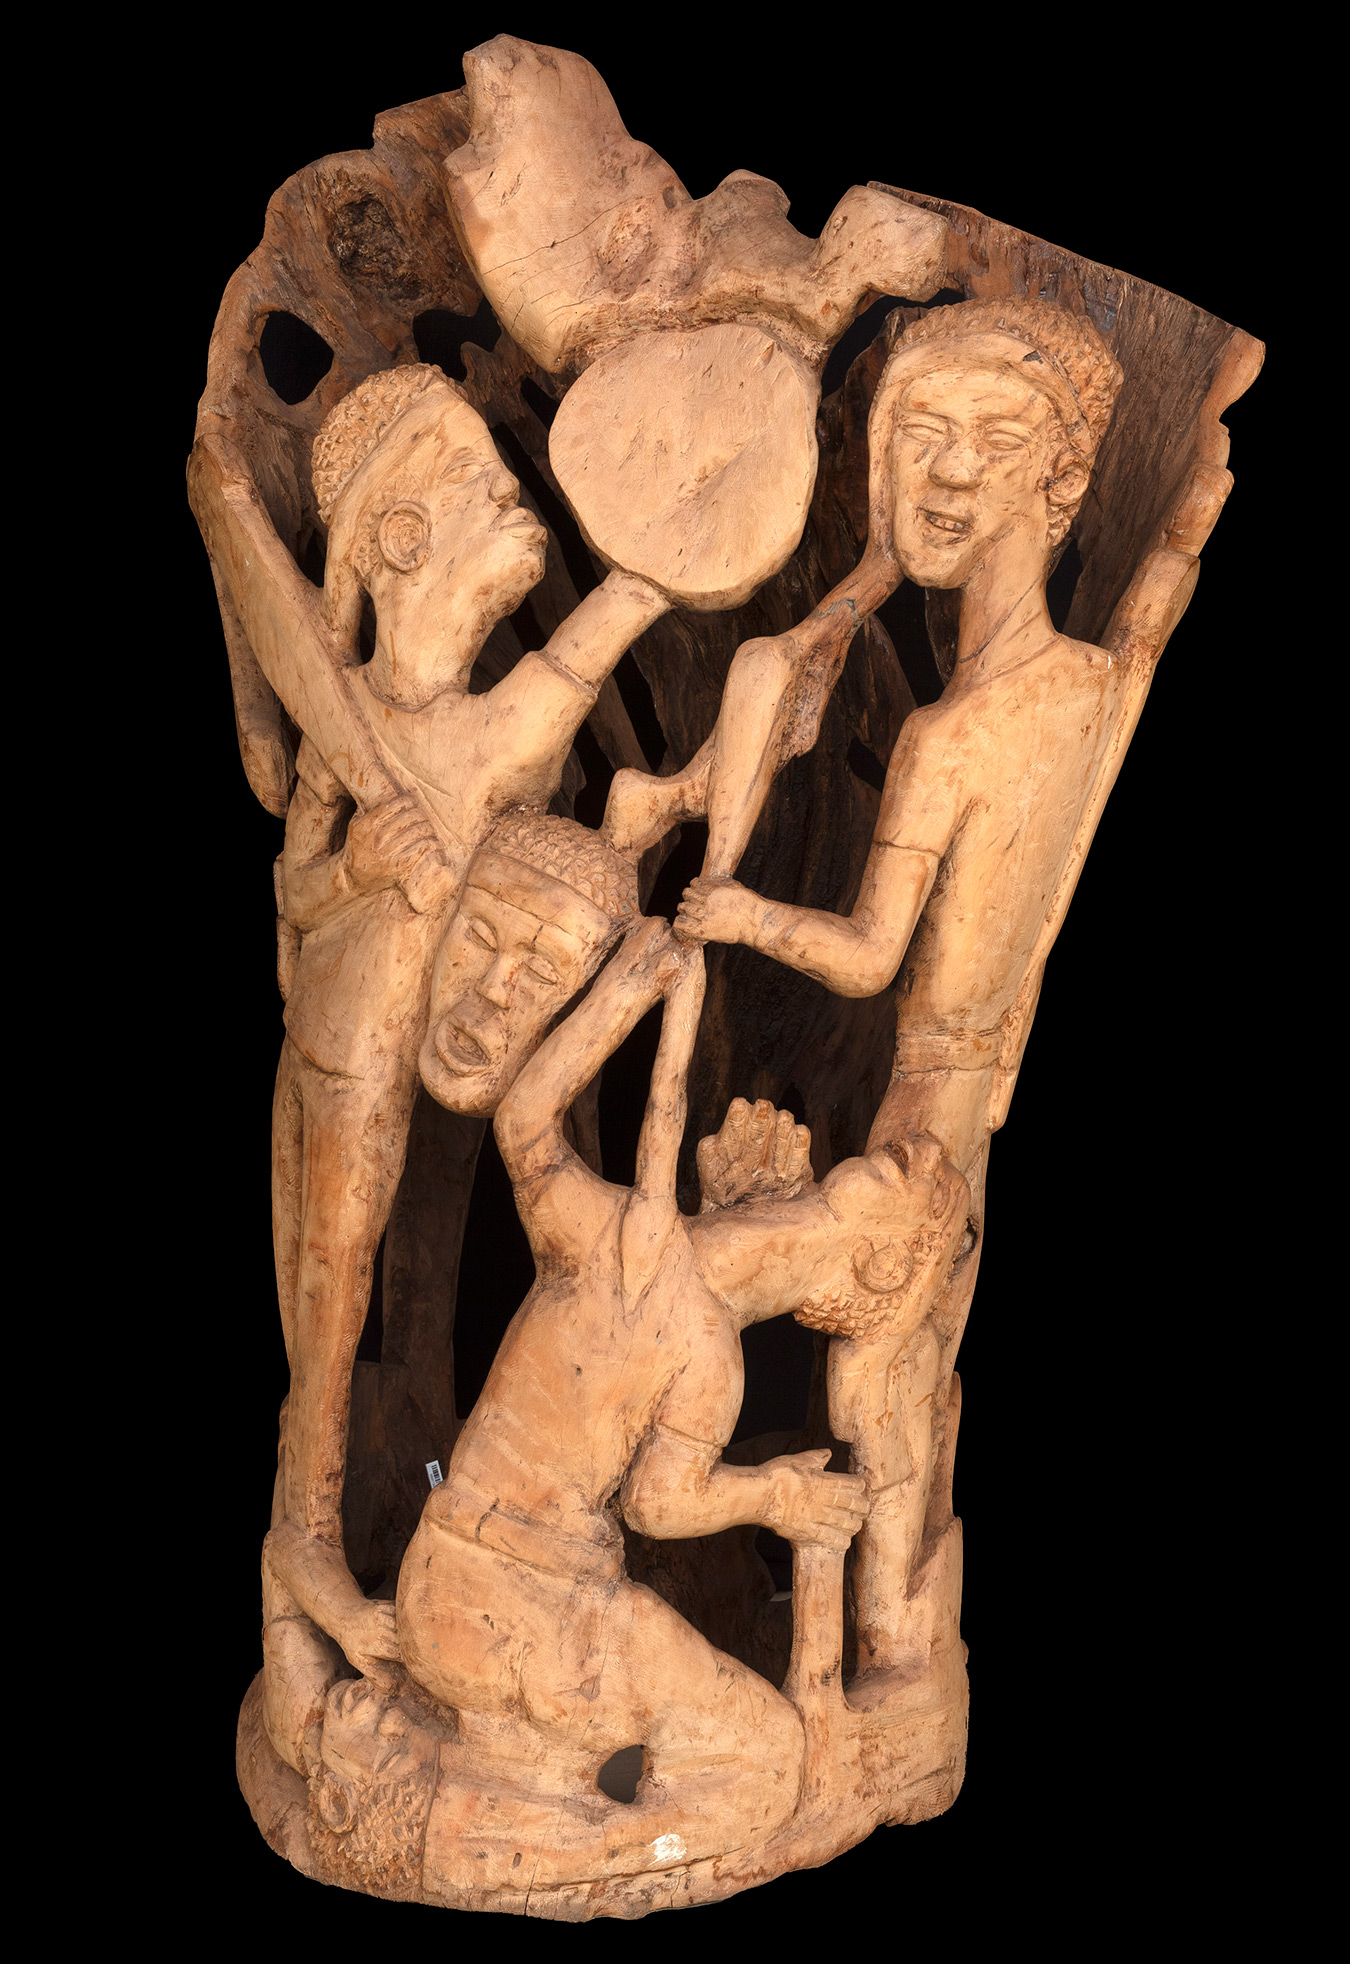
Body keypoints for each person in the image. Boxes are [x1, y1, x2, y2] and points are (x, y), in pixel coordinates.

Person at [190, 364, 667, 1762]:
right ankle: (305, 1553)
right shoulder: (351, 732)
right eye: (480, 488)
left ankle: (359, 1542)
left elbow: (597, 637)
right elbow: (292, 901)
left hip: (425, 1063)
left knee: (381, 1290)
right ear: (400, 541)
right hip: (335, 1067)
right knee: (323, 1315)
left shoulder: (488, 732)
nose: (517, 501)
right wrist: (355, 867)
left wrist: (680, 533)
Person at [668, 297, 1125, 1675]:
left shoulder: (945, 736)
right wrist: (863, 578)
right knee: (902, 1373)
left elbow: (870, 956)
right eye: (919, 433)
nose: (949, 470)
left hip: (924, 1104)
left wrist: (741, 913)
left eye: (994, 441)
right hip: (977, 1087)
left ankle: (873, 1656)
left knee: (828, 1349)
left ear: (1058, 480)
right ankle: (889, 1654)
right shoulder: (1091, 684)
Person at [396, 918, 968, 1887]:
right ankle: (532, 1843)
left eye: (918, 1188)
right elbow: (658, 1503)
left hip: (445, 1581)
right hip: (534, 1611)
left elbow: (523, 1123)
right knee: (771, 1762)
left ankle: (525, 1793)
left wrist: (629, 987)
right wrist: (774, 1496)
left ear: (878, 1264)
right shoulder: (699, 1341)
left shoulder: (632, 1245)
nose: (909, 1156)